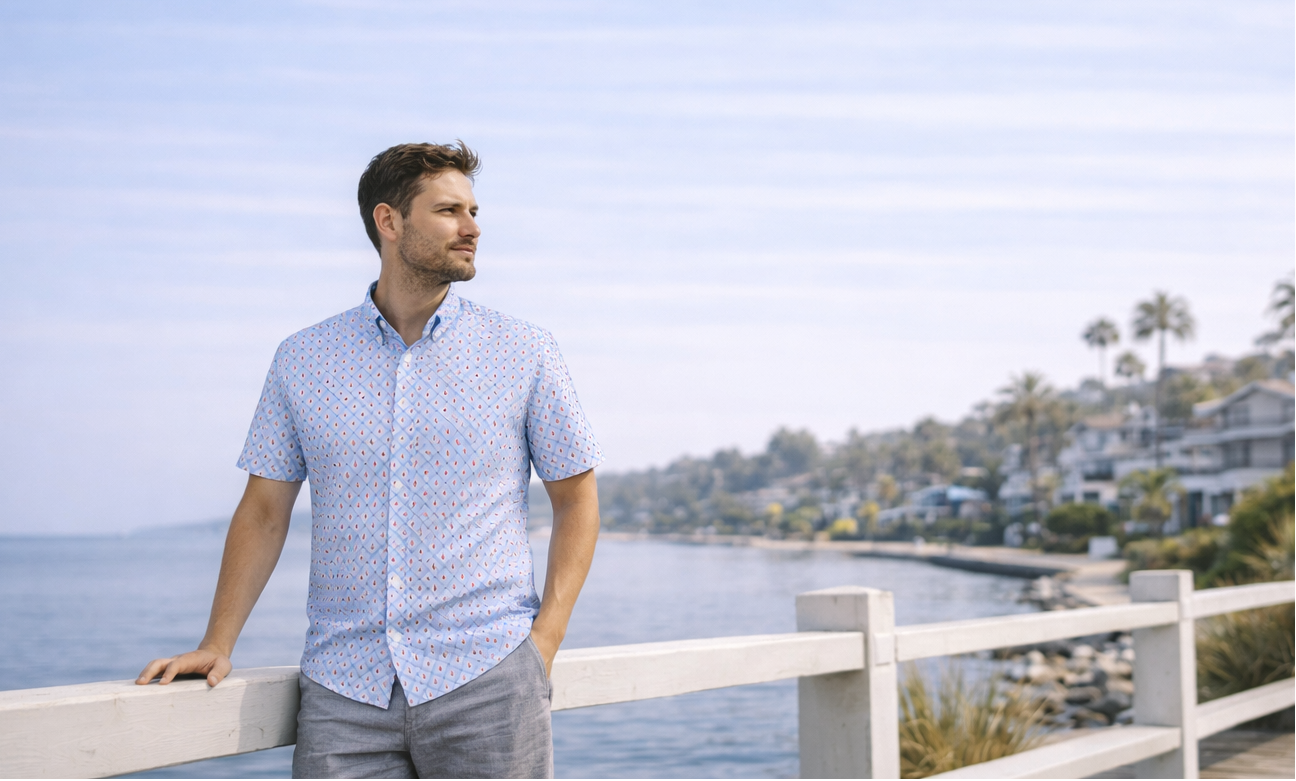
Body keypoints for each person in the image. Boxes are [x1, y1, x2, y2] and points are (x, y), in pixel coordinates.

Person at [136, 142, 603, 779]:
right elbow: (265, 512)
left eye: (473, 209)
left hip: (488, 679)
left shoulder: (525, 351)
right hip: (343, 692)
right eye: (449, 211)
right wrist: (217, 643)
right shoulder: (302, 359)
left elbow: (576, 498)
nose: (473, 228)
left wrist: (542, 644)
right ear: (389, 222)